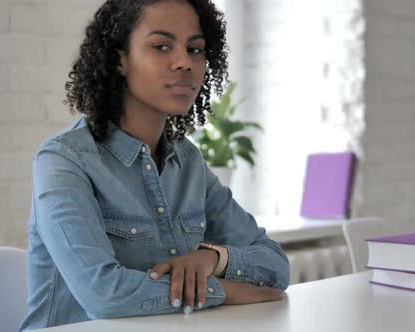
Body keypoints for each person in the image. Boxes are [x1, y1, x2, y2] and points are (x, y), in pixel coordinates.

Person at [19, 0, 290, 330]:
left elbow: (276, 264)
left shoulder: (188, 161)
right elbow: (105, 295)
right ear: (121, 59)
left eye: (195, 49)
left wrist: (212, 259)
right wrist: (223, 290)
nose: (184, 63)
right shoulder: (64, 160)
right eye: (161, 46)